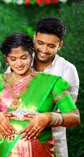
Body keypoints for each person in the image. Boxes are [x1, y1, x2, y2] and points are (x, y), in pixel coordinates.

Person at [0, 32, 80, 157]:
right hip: (1, 149)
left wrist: (48, 117)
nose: (19, 64)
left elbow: (74, 117)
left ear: (32, 55)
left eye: (23, 57)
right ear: (6, 59)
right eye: (13, 59)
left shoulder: (52, 83)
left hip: (38, 150)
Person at [33, 17, 80, 157]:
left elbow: (69, 115)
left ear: (60, 45)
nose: (43, 50)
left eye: (51, 46)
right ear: (34, 37)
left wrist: (46, 117)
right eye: (40, 43)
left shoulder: (67, 70)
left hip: (54, 146)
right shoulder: (21, 61)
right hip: (19, 144)